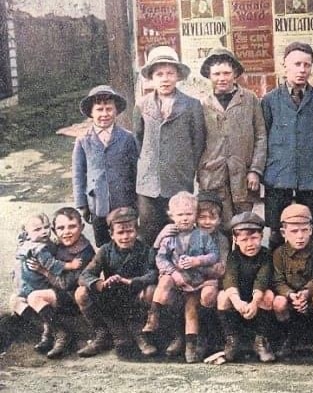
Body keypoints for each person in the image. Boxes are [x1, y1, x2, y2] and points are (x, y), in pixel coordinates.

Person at [261, 41, 313, 251]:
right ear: (285, 66)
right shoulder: (270, 100)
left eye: (307, 65)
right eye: (296, 64)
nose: (302, 70)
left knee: (311, 226)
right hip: (278, 175)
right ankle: (275, 276)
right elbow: (262, 137)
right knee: (276, 229)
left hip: (310, 175)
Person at [133, 45, 206, 246]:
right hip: (148, 182)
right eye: (159, 74)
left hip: (178, 178)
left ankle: (177, 270)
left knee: (178, 228)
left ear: (178, 76)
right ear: (152, 78)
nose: (165, 79)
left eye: (170, 73)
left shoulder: (191, 105)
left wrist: (186, 167)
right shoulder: (142, 104)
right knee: (148, 229)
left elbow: (197, 142)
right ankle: (151, 273)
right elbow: (138, 140)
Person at [142, 192, 221, 362]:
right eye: (180, 215)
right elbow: (160, 258)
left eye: (189, 214)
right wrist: (173, 272)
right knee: (164, 280)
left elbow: (214, 255)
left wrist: (197, 261)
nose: (184, 219)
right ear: (171, 215)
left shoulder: (202, 236)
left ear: (195, 214)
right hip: (175, 280)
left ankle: (190, 347)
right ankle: (153, 316)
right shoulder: (169, 236)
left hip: (195, 280)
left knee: (191, 310)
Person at [75, 207, 157, 358]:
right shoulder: (106, 250)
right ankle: (102, 335)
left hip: (134, 296)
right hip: (111, 297)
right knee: (81, 292)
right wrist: (101, 283)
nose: (125, 236)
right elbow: (84, 275)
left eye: (130, 231)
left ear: (136, 231)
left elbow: (153, 274)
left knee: (152, 290)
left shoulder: (145, 250)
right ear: (112, 234)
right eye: (120, 232)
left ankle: (141, 335)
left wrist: (133, 281)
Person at [10, 209, 93, 358]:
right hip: (54, 292)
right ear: (54, 230)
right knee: (15, 300)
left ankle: (63, 334)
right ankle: (48, 328)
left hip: (72, 296)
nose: (66, 232)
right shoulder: (55, 245)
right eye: (61, 228)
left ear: (81, 227)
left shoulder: (83, 252)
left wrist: (44, 272)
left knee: (35, 297)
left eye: (72, 226)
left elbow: (66, 284)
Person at [198, 48, 266, 229]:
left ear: (235, 74)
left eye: (227, 73)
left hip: (244, 176)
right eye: (217, 74)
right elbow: (197, 142)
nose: (222, 78)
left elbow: (261, 136)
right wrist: (202, 173)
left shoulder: (250, 100)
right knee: (220, 227)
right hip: (213, 177)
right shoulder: (202, 104)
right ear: (209, 76)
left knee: (244, 225)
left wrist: (255, 170)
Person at [73, 85, 138, 247]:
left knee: (126, 241)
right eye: (99, 110)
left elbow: (135, 170)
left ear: (116, 111)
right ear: (91, 113)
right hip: (97, 204)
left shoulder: (127, 138)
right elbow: (78, 174)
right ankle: (107, 272)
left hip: (124, 202)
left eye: (109, 109)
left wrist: (138, 202)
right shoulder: (83, 140)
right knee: (103, 245)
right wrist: (82, 204)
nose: (104, 114)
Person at [271, 204, 313, 358]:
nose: (300, 236)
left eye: (304, 230)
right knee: (278, 302)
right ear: (284, 233)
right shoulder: (279, 254)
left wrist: (305, 293)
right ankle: (288, 336)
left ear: (311, 230)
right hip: (290, 299)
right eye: (294, 231)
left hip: (310, 298)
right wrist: (291, 295)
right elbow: (278, 281)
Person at [217, 212, 276, 363]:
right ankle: (232, 339)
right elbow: (230, 279)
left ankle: (261, 340)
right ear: (235, 240)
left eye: (254, 238)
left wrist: (255, 303)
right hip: (240, 299)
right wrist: (237, 302)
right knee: (223, 297)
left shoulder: (266, 255)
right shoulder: (233, 256)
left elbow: (262, 279)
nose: (250, 244)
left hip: (257, 297)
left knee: (268, 295)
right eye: (244, 239)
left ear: (261, 236)